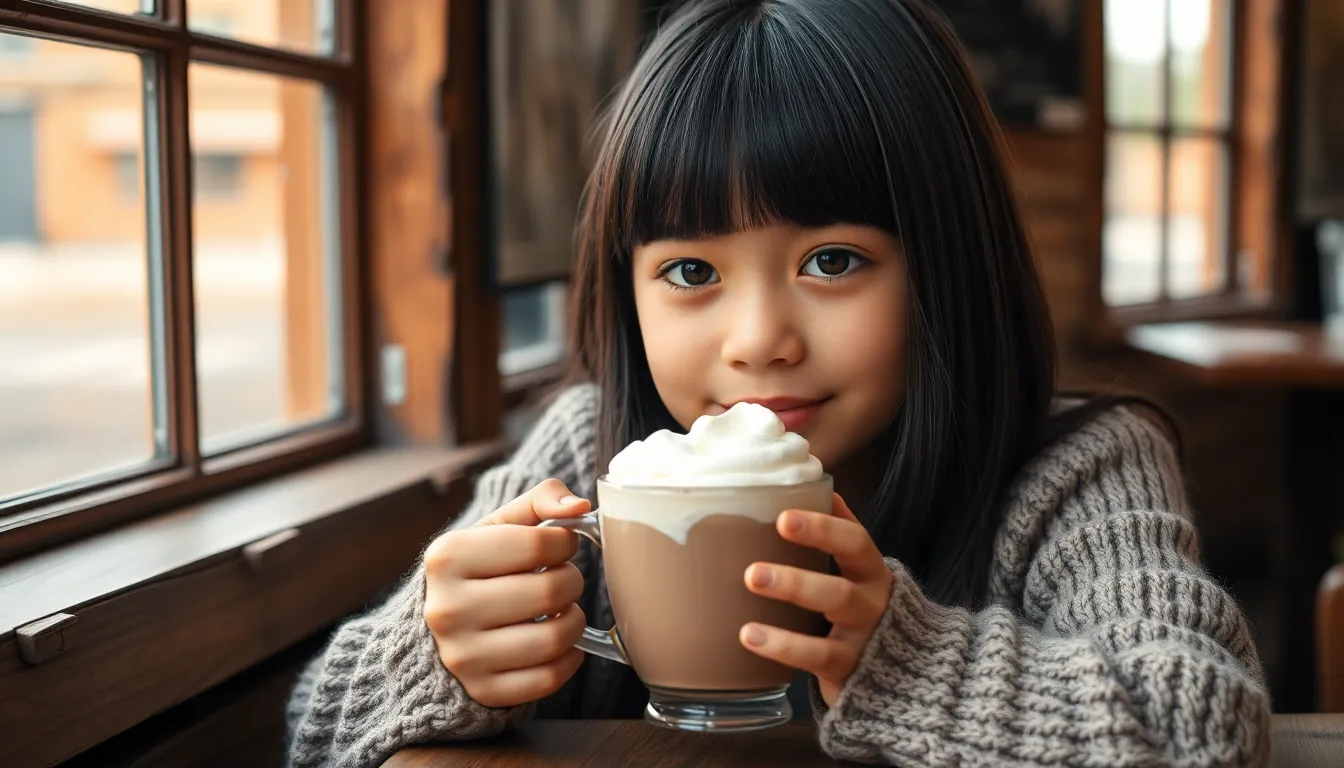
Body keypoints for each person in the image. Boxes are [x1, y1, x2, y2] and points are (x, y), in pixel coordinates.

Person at [285, 1, 1271, 765]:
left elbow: (1203, 727)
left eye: (832, 262)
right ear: (627, 291)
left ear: (950, 261)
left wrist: (907, 660)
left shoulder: (1074, 470)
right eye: (690, 271)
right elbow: (321, 728)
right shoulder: (590, 450)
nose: (759, 343)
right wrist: (440, 654)